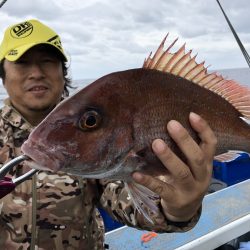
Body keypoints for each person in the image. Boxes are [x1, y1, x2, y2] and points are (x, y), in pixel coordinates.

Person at [0, 19, 217, 250]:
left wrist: (177, 209)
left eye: (47, 61)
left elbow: (128, 198)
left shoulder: (99, 131)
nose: (36, 73)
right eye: (22, 63)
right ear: (3, 75)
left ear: (62, 72)